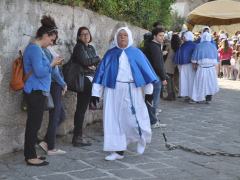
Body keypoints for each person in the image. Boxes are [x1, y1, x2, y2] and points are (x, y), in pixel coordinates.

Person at [92, 27, 158, 161]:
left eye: (125, 35)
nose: (122, 37)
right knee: (113, 120)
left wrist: (149, 92)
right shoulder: (110, 54)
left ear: (129, 37)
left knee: (135, 117)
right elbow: (100, 74)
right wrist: (95, 93)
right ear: (116, 38)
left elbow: (146, 73)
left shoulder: (137, 53)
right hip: (112, 90)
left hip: (131, 89)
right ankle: (118, 151)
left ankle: (142, 138)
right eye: (120, 35)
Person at [23, 15, 63, 166]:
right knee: (33, 125)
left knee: (35, 124)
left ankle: (31, 154)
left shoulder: (37, 48)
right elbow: (39, 72)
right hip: (35, 92)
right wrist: (53, 63)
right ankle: (30, 156)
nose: (52, 43)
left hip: (38, 91)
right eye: (52, 39)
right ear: (45, 35)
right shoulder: (34, 49)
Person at [71, 26, 100, 147]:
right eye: (82, 34)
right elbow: (85, 62)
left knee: (82, 109)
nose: (86, 36)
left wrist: (92, 63)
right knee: (81, 109)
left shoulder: (91, 48)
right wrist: (96, 59)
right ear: (78, 37)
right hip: (83, 80)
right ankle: (77, 137)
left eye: (87, 34)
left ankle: (78, 135)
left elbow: (92, 64)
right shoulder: (78, 47)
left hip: (90, 78)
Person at [38, 42, 67, 156]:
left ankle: (46, 141)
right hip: (54, 85)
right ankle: (51, 147)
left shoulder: (48, 48)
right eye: (52, 35)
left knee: (61, 115)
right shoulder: (44, 49)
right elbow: (54, 71)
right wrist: (63, 83)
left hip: (56, 85)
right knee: (55, 116)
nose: (53, 39)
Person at [143, 27, 167, 128]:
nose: (162, 38)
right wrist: (163, 77)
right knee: (153, 101)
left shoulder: (152, 45)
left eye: (163, 36)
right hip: (154, 77)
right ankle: (152, 121)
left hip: (151, 76)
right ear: (154, 36)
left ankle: (151, 120)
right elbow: (158, 65)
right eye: (160, 36)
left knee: (150, 100)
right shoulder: (154, 47)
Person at [191, 32, 219, 103]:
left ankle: (197, 98)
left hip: (201, 68)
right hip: (211, 68)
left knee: (199, 83)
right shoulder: (213, 46)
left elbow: (194, 58)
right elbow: (217, 58)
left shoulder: (198, 46)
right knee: (210, 83)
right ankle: (208, 98)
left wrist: (194, 65)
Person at [174, 31, 196, 103]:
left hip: (185, 66)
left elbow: (179, 54)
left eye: (184, 37)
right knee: (190, 81)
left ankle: (188, 95)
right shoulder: (193, 45)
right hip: (191, 65)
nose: (183, 38)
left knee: (185, 81)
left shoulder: (184, 45)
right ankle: (189, 95)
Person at [164, 33, 181, 100]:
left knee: (169, 80)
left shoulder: (169, 45)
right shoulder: (179, 46)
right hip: (176, 64)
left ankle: (170, 95)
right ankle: (173, 95)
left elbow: (165, 53)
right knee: (173, 80)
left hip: (168, 64)